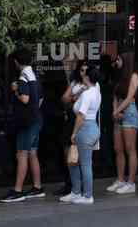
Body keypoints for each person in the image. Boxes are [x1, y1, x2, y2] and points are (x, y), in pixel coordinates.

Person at [0, 48, 45, 203]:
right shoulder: (35, 75)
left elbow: (25, 99)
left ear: (16, 62)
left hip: (27, 122)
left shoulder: (23, 76)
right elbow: (40, 99)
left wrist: (15, 90)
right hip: (36, 119)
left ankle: (17, 190)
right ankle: (37, 187)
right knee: (33, 153)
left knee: (22, 154)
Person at [59, 66, 102, 205]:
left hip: (85, 129)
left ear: (88, 78)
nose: (82, 76)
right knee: (75, 162)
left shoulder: (88, 94)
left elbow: (81, 115)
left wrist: (74, 133)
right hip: (92, 127)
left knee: (84, 164)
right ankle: (76, 192)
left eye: (84, 75)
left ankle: (87, 195)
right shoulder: (95, 91)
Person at [107, 52, 138, 195]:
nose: (117, 61)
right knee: (118, 148)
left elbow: (129, 97)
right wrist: (115, 110)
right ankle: (120, 179)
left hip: (129, 112)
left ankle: (131, 182)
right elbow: (115, 96)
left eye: (119, 59)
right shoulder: (119, 76)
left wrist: (117, 111)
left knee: (130, 148)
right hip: (119, 111)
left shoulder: (134, 76)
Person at [54, 61, 88, 197]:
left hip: (84, 120)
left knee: (82, 154)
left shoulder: (92, 85)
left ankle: (81, 186)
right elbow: (64, 98)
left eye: (86, 70)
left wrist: (72, 98)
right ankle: (70, 184)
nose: (84, 73)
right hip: (71, 119)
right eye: (81, 70)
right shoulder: (75, 83)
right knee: (67, 151)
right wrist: (75, 96)